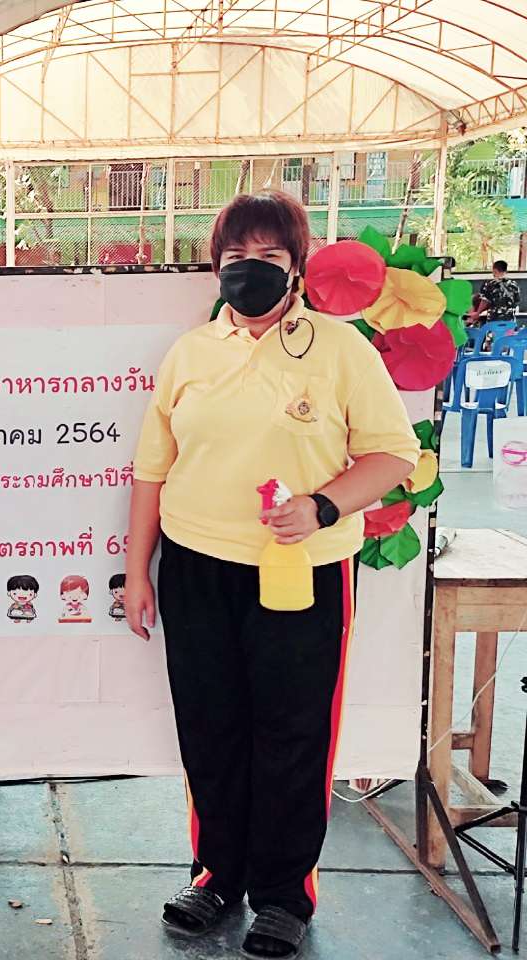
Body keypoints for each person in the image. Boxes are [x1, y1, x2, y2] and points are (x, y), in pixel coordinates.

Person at [124, 191, 420, 960]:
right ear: (215, 266)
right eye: (235, 257)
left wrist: (324, 506)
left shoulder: (339, 349)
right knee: (210, 728)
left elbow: (394, 455)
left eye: (268, 257)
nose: (248, 270)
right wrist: (136, 572)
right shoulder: (191, 353)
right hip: (195, 567)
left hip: (300, 574)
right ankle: (217, 875)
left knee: (292, 733)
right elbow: (153, 469)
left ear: (296, 268)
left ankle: (284, 896)